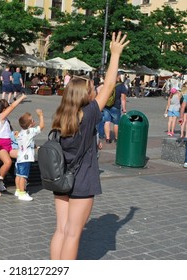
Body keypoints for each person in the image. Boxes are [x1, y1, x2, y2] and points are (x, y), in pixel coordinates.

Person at [50, 32, 129, 260]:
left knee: (61, 230)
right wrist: (115, 55)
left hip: (61, 177)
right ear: (85, 96)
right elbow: (111, 84)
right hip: (82, 180)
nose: (96, 90)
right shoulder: (89, 114)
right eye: (93, 88)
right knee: (73, 235)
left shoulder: (61, 116)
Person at [0, 94, 27, 192]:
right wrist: (21, 98)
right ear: (3, 109)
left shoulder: (5, 119)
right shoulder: (0, 117)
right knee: (8, 162)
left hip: (8, 144)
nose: (8, 108)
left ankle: (21, 178)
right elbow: (13, 106)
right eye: (7, 107)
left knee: (23, 155)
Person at [15, 109, 44, 201]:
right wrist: (41, 115)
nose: (34, 120)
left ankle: (18, 190)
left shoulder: (21, 133)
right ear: (30, 124)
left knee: (19, 175)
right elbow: (42, 126)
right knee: (23, 176)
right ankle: (22, 193)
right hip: (26, 158)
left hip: (19, 157)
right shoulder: (30, 131)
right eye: (32, 120)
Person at [103, 71, 127, 143]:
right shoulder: (121, 86)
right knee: (116, 123)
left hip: (106, 105)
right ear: (119, 77)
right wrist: (124, 108)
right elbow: (123, 99)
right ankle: (116, 138)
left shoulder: (108, 84)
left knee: (107, 121)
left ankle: (107, 138)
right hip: (116, 106)